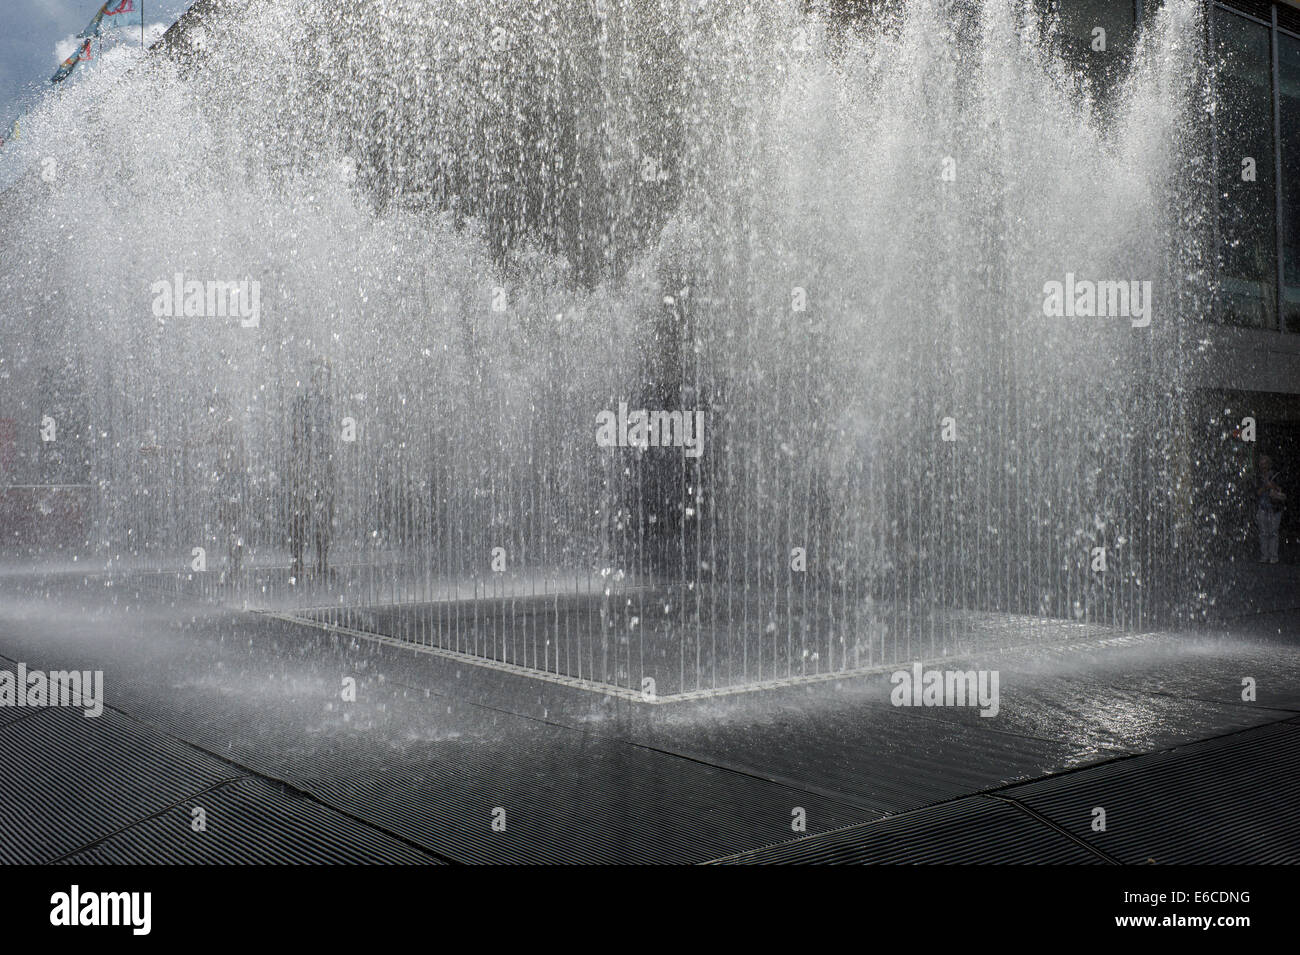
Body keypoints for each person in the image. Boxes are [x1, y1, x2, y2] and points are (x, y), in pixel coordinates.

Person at [289, 360, 335, 582]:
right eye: (320, 376)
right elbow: (297, 437)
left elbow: (327, 439)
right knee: (302, 516)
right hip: (307, 468)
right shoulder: (303, 403)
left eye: (325, 376)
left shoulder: (326, 403)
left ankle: (321, 562)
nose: (323, 381)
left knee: (323, 516)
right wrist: (302, 466)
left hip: (321, 468)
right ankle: (298, 563)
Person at [1256, 454, 1286, 564]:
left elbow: (1281, 489)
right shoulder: (1258, 477)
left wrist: (1272, 485)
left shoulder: (1275, 476)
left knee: (1273, 532)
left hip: (1275, 508)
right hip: (1263, 507)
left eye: (1265, 463)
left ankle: (1273, 556)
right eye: (1262, 463)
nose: (1263, 466)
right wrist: (1265, 487)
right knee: (1263, 533)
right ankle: (1265, 555)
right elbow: (1256, 492)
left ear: (1269, 464)